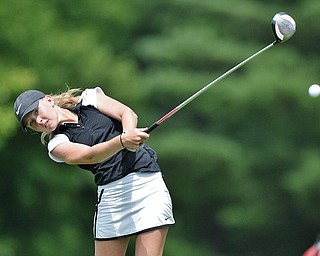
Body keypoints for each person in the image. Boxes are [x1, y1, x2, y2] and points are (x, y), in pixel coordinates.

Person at [13, 87, 175, 256]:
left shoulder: (90, 99)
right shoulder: (56, 145)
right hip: (112, 198)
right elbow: (90, 156)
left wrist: (129, 135)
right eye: (31, 122)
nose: (38, 120)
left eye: (36, 111)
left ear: (48, 100)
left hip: (147, 185)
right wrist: (123, 141)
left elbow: (127, 113)